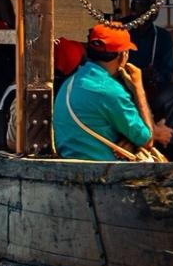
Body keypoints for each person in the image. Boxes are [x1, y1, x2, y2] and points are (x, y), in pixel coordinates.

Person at [53, 22, 163, 163]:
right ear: (123, 55)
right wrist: (138, 89)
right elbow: (147, 140)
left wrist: (129, 141)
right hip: (103, 171)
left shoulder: (70, 82)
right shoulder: (110, 91)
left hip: (69, 165)